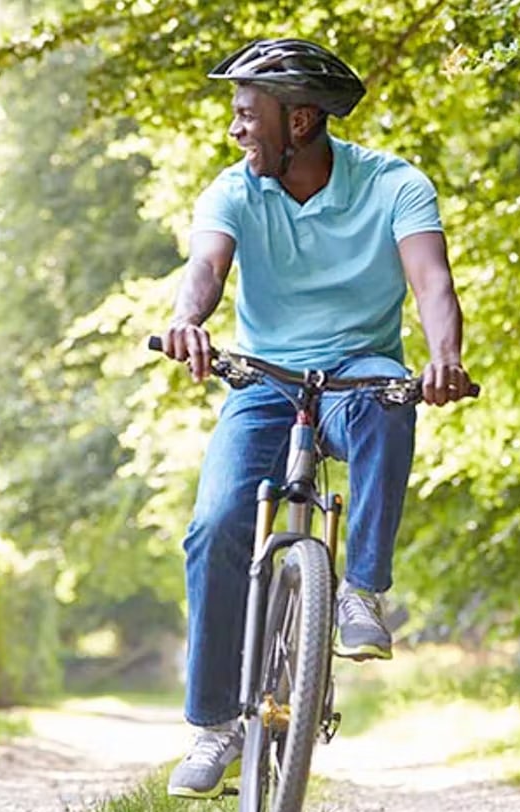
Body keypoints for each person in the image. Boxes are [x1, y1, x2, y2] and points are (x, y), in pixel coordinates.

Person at [158, 39, 473, 798]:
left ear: (301, 120)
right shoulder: (234, 189)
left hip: (357, 368)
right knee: (215, 524)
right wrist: (186, 317)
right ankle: (214, 726)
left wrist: (443, 356)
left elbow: (431, 282)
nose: (236, 129)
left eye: (247, 114)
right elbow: (205, 269)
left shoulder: (394, 183)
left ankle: (359, 588)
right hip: (265, 382)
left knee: (385, 401)